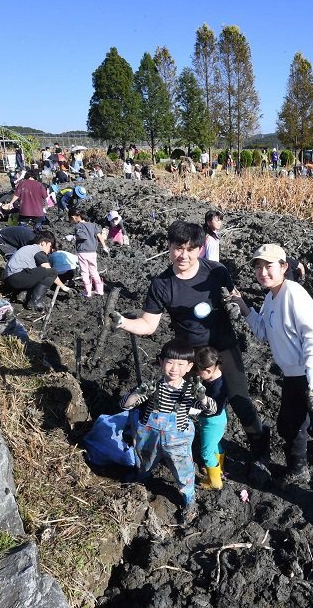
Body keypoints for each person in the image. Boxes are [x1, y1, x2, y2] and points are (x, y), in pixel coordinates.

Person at [110, 221, 270, 467]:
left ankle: (260, 448)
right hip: (190, 356)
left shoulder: (217, 271)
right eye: (178, 248)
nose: (183, 255)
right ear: (169, 247)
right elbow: (148, 324)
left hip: (224, 347)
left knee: (239, 399)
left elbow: (234, 295)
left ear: (200, 248)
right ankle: (188, 444)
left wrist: (236, 306)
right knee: (187, 400)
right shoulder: (162, 284)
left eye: (190, 249)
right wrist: (123, 323)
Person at [230, 243, 313, 533]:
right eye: (258, 267)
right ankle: (298, 468)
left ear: (284, 267)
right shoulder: (270, 299)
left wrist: (312, 372)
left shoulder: (295, 295)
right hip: (294, 375)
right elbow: (264, 331)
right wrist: (243, 306)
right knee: (288, 425)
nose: (263, 272)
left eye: (269, 266)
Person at [120, 339, 200, 523]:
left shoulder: (190, 391)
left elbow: (210, 409)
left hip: (177, 439)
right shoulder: (151, 387)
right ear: (160, 362)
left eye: (181, 364)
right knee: (144, 460)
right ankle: (142, 478)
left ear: (189, 367)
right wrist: (137, 394)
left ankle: (189, 499)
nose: (174, 368)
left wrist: (202, 399)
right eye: (170, 362)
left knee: (183, 470)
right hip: (149, 436)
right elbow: (124, 405)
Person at [3, 232, 70, 310]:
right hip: (17, 277)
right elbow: (49, 270)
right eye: (50, 246)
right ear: (43, 243)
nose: (49, 251)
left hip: (9, 280)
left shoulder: (27, 248)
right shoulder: (38, 251)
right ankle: (35, 302)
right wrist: (65, 288)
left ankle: (23, 294)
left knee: (39, 275)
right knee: (52, 272)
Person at [193, 346, 229, 490]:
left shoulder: (219, 387)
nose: (196, 373)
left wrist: (198, 403)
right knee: (215, 444)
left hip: (212, 422)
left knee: (206, 452)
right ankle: (219, 468)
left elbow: (214, 408)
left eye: (198, 370)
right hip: (219, 420)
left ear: (208, 370)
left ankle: (215, 483)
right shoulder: (216, 376)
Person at [66, 208, 108, 297]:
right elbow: (100, 236)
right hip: (93, 252)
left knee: (85, 272)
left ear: (74, 217)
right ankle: (99, 291)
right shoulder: (93, 225)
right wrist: (104, 246)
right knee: (94, 271)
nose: (71, 221)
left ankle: (87, 292)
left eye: (70, 219)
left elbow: (82, 236)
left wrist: (73, 237)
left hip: (83, 252)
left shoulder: (79, 226)